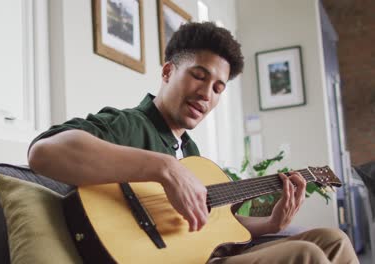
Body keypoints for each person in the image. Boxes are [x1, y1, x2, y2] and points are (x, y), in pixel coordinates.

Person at [28, 22, 358, 263]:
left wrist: (272, 223)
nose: (206, 93)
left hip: (199, 254)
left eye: (218, 87)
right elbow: (44, 152)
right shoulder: (130, 125)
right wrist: (164, 168)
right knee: (305, 254)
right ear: (169, 72)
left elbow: (217, 225)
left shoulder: (191, 152)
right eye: (199, 76)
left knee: (333, 239)